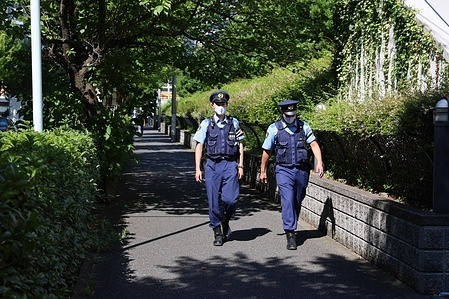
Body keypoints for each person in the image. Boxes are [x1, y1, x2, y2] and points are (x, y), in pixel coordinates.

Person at [259, 99, 324, 250]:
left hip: (302, 170)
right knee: (287, 199)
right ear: (282, 113)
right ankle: (290, 233)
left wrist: (319, 162)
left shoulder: (303, 126)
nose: (290, 117)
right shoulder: (275, 129)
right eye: (287, 115)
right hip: (283, 170)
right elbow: (266, 151)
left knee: (297, 199)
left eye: (292, 114)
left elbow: (313, 144)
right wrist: (262, 170)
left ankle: (291, 225)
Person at [194, 91, 245, 246]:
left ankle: (225, 220)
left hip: (230, 164)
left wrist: (241, 165)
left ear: (226, 105)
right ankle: (217, 232)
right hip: (212, 165)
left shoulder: (234, 123)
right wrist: (198, 168)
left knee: (231, 199)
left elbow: (240, 145)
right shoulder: (206, 124)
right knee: (214, 201)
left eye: (223, 104)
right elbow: (199, 146)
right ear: (212, 105)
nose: (221, 107)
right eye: (218, 104)